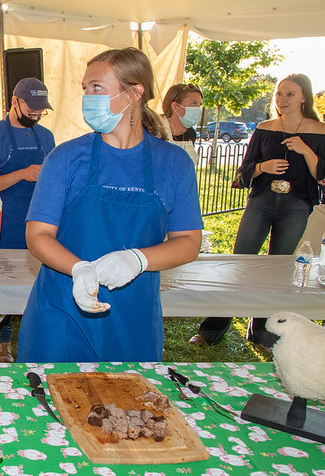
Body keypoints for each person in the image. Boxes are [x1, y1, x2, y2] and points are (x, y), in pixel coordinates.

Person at [17, 47, 203, 363]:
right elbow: (38, 234)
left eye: (97, 88)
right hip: (62, 310)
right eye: (85, 89)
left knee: (128, 409)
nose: (88, 97)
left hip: (133, 317)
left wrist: (137, 259)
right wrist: (79, 269)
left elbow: (188, 243)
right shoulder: (65, 158)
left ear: (134, 93)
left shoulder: (173, 163)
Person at [189, 74, 325, 349]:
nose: (282, 99)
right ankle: (212, 330)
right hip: (262, 201)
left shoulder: (321, 130)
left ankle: (263, 335)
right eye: (279, 94)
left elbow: (324, 176)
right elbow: (244, 170)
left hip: (296, 205)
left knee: (277, 270)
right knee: (239, 263)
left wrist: (305, 150)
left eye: (290, 94)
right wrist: (262, 168)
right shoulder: (266, 128)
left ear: (305, 97)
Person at [0, 77, 55, 362]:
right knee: (5, 287)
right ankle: (2, 342)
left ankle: (41, 338)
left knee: (41, 284)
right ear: (14, 101)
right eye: (30, 110)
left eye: (39, 112)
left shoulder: (46, 137)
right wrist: (22, 174)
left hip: (40, 221)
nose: (35, 116)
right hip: (6, 222)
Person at [162, 83, 203, 165]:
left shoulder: (190, 134)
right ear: (175, 106)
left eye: (200, 105)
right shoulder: (154, 128)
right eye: (193, 104)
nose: (198, 109)